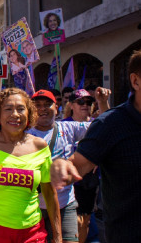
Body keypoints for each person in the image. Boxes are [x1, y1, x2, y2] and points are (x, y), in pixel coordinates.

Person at [50, 49, 141, 242]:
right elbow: (77, 165)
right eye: (81, 102)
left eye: (88, 102)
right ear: (135, 81)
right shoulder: (110, 124)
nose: (85, 105)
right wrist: (62, 166)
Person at [0, 88, 62, 243]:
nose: (15, 114)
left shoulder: (40, 146)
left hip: (33, 233)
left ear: (29, 114)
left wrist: (57, 237)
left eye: (21, 109)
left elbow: (50, 193)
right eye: (8, 109)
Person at [27, 89, 110, 243]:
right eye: (37, 105)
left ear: (56, 106)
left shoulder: (68, 128)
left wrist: (102, 102)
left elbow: (106, 126)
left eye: (47, 104)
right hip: (32, 206)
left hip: (65, 205)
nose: (42, 108)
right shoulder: (22, 134)